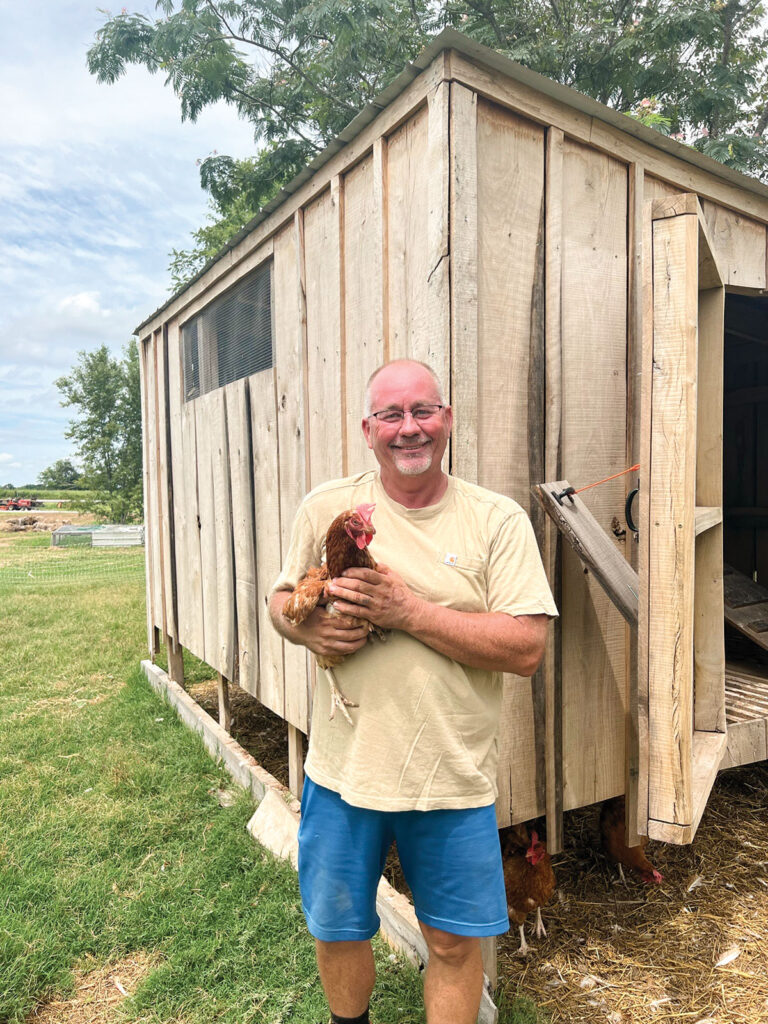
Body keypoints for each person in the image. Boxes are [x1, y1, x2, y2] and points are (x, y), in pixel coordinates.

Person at [269, 359, 558, 1024]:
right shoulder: (326, 507)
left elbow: (527, 647)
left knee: (454, 942)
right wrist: (301, 629)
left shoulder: (496, 520)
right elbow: (280, 597)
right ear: (369, 431)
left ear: (447, 420)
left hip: (450, 776)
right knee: (338, 926)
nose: (410, 428)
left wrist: (411, 613)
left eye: (423, 411)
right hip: (345, 770)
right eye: (392, 416)